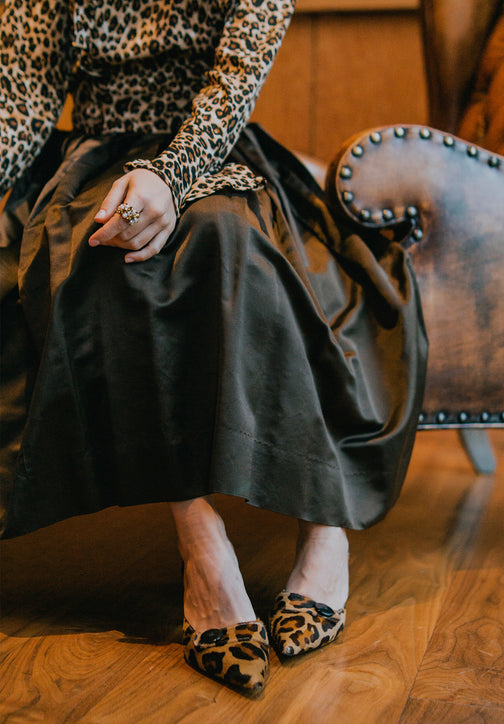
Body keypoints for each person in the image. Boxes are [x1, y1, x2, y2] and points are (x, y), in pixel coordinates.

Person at [0, 0, 426, 693]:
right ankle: (201, 543)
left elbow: (236, 77)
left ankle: (324, 527)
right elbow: (21, 101)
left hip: (213, 148)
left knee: (228, 242)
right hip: (97, 157)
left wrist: (171, 177)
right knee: (109, 258)